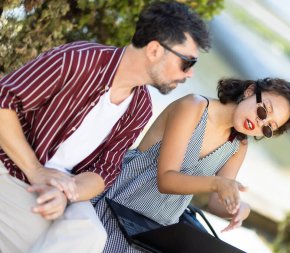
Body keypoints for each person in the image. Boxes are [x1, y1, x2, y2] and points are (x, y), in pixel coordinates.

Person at [0, 1, 210, 253]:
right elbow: (3, 103)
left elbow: (104, 172)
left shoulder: (141, 107)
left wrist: (67, 193)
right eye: (187, 63)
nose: (189, 74)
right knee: (40, 241)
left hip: (65, 187)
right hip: (13, 166)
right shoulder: (77, 61)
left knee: (93, 235)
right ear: (154, 50)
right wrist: (36, 171)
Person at [93, 77, 290, 252]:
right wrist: (217, 183)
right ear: (249, 91)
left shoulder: (238, 146)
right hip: (121, 201)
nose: (260, 123)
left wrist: (238, 208)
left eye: (268, 128)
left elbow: (215, 202)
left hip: (156, 229)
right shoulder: (193, 107)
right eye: (264, 110)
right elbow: (166, 179)